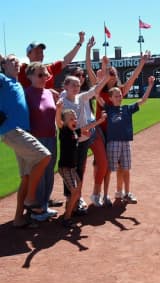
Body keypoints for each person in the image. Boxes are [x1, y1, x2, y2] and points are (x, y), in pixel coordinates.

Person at [87, 43, 152, 204]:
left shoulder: (120, 91)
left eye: (114, 74)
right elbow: (90, 72)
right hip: (101, 131)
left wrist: (142, 62)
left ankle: (119, 192)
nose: (113, 76)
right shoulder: (100, 89)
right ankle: (98, 194)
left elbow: (133, 78)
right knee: (101, 164)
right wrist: (90, 52)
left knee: (119, 165)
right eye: (110, 73)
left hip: (116, 134)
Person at [0, 54, 51, 227]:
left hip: (23, 133)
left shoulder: (18, 84)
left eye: (17, 61)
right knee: (44, 156)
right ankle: (30, 199)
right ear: (3, 66)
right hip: (12, 131)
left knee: (26, 177)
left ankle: (18, 219)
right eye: (10, 61)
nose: (15, 63)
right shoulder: (3, 80)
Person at [60, 71, 110, 214]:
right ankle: (70, 199)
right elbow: (62, 123)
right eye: (73, 85)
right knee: (69, 169)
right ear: (66, 86)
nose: (76, 87)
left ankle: (77, 198)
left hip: (83, 140)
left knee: (80, 169)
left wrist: (105, 78)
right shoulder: (62, 101)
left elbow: (93, 91)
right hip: (70, 142)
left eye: (78, 84)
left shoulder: (81, 97)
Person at [104, 76, 155, 204]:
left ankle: (126, 193)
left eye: (120, 95)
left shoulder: (127, 108)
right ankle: (105, 195)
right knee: (110, 169)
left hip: (125, 142)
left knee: (126, 168)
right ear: (110, 98)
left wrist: (150, 85)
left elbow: (143, 100)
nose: (119, 97)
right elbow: (96, 92)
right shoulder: (108, 109)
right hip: (113, 142)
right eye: (116, 96)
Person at [55, 100, 106, 228]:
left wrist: (100, 120)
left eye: (75, 118)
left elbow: (87, 128)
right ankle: (66, 217)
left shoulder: (74, 132)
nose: (74, 120)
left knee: (77, 190)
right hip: (65, 167)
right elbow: (58, 122)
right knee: (74, 190)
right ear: (65, 121)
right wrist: (59, 109)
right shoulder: (64, 130)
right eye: (71, 118)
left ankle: (70, 211)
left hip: (72, 168)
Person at [24, 62, 58, 221]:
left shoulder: (50, 93)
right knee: (38, 174)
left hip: (51, 136)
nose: (44, 77)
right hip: (35, 138)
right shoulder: (26, 93)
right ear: (29, 76)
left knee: (49, 172)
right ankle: (35, 209)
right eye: (40, 75)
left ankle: (44, 205)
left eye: (46, 75)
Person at [18, 31, 85, 90]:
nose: (40, 55)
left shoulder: (49, 69)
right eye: (36, 52)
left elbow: (67, 60)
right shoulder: (22, 69)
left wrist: (80, 42)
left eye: (41, 52)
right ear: (28, 55)